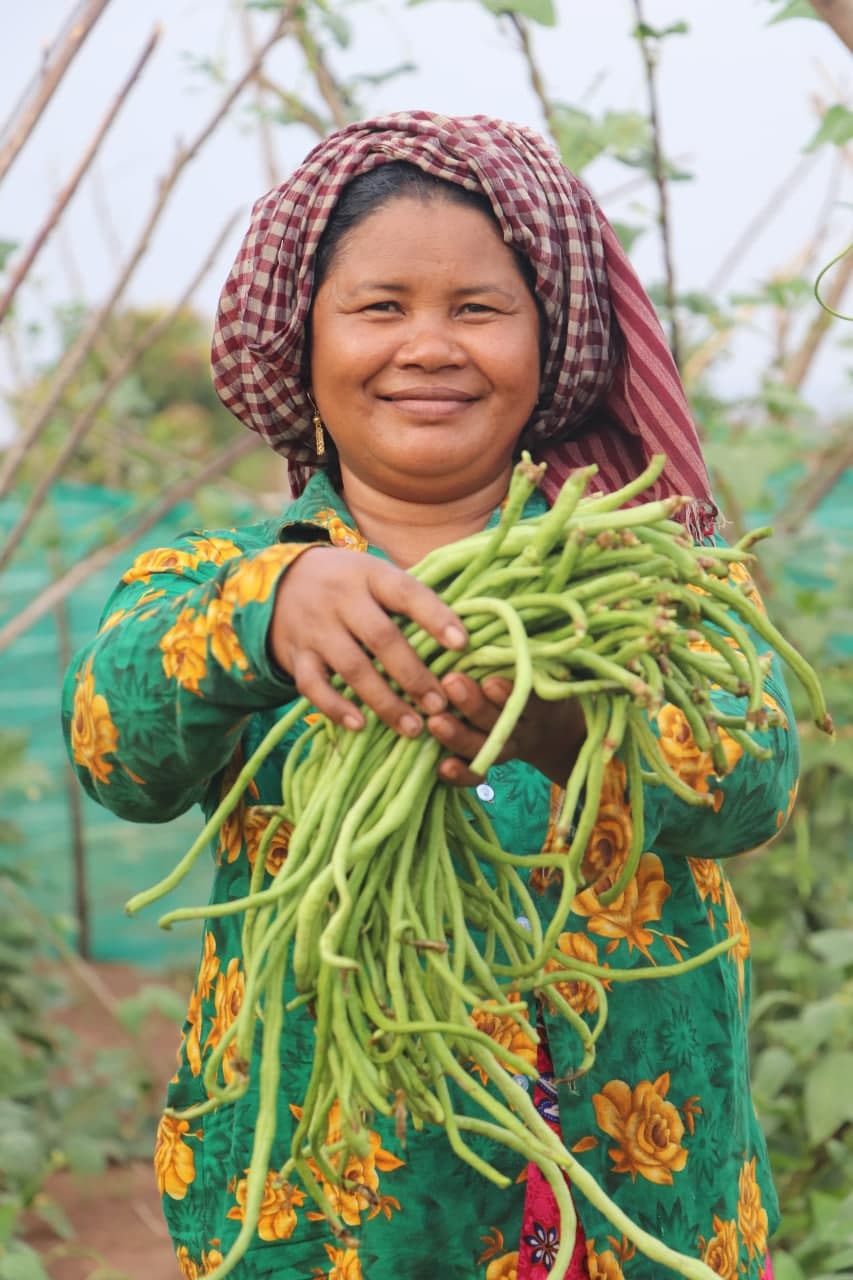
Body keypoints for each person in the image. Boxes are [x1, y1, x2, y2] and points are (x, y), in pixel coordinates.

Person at [62, 111, 796, 1280]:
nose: (428, 346)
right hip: (333, 1205)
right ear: (303, 343)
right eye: (379, 306)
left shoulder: (655, 583)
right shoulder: (215, 586)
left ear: (548, 344)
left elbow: (752, 779)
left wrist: (572, 725)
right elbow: (117, 750)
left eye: (477, 309)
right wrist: (269, 611)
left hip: (632, 1194)